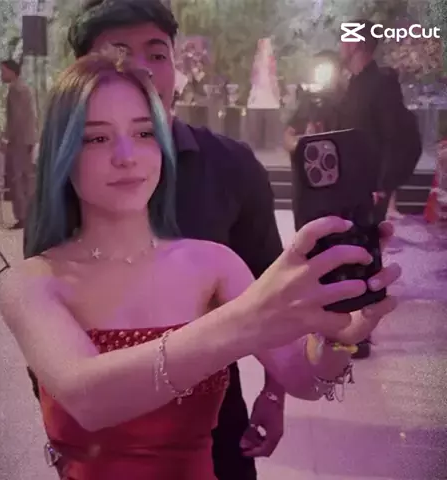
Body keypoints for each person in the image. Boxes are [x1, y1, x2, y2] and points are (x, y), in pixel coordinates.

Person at [21, 2, 398, 477]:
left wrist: (339, 338)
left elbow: (300, 373)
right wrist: (249, 317)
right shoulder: (33, 280)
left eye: (145, 132)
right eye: (97, 137)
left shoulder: (215, 262)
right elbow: (85, 397)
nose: (127, 155)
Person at [336, 19, 422, 359]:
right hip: (348, 185)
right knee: (347, 254)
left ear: (357, 44)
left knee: (366, 256)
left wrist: (382, 185)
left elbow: (396, 139)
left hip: (370, 188)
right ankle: (347, 328)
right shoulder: (353, 84)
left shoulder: (382, 83)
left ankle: (361, 336)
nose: (341, 45)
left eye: (345, 39)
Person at [0, 59, 37, 229]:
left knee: (17, 178)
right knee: (26, 178)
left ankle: (23, 216)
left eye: (3, 71)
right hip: (26, 139)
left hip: (19, 140)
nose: (1, 75)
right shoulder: (23, 88)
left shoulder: (17, 90)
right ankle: (29, 215)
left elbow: (17, 118)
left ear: (12, 71)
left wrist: (6, 138)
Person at [283, 50, 344, 154]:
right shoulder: (309, 101)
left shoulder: (347, 100)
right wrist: (301, 145)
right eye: (318, 68)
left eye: (325, 69)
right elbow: (288, 134)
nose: (320, 72)